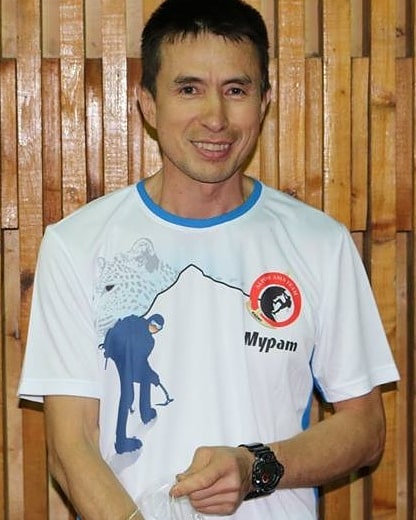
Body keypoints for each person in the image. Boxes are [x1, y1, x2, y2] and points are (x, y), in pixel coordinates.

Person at [18, 0, 399, 519]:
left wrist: (255, 464)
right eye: (189, 89)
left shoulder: (320, 243)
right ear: (148, 103)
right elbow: (71, 446)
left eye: (236, 90)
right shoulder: (77, 245)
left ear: (264, 102)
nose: (216, 118)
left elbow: (365, 429)